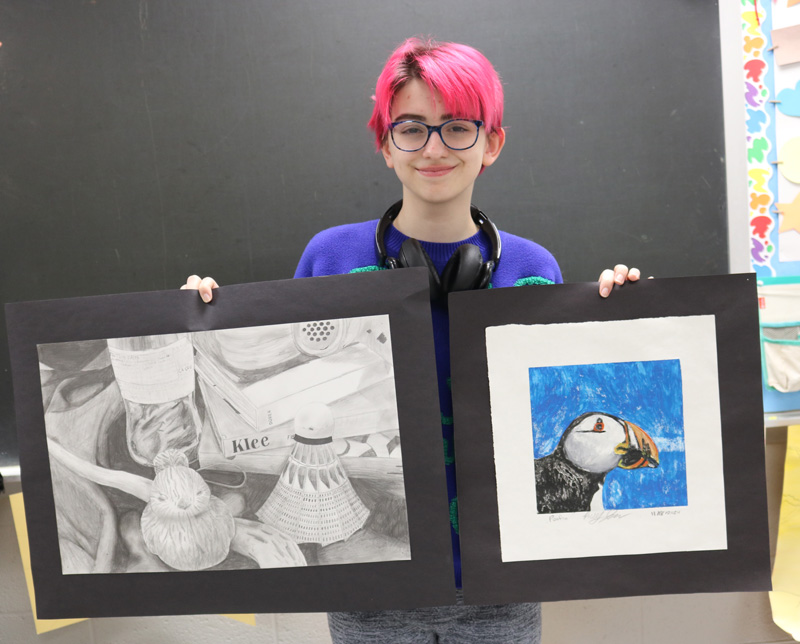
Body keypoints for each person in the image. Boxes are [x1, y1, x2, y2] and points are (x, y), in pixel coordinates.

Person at [183, 36, 639, 644]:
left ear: (491, 144)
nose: (433, 148)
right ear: (385, 143)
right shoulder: (331, 256)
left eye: (457, 128)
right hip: (370, 578)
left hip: (501, 584)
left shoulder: (534, 267)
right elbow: (282, 388)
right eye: (411, 128)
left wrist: (630, 315)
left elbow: (562, 409)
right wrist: (201, 320)